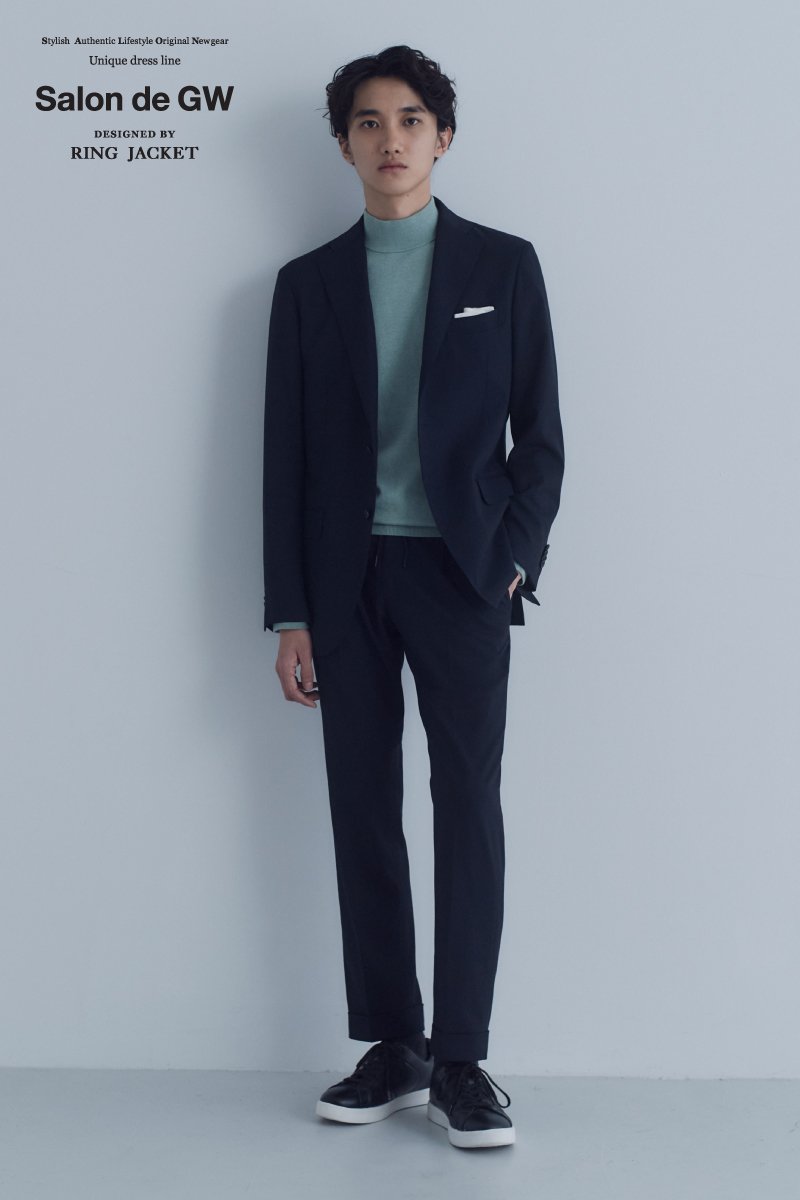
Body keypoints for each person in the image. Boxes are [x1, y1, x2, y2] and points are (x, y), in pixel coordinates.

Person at [262, 44, 564, 1149]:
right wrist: (290, 612)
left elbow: (541, 439)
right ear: (344, 144)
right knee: (362, 806)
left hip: (461, 575)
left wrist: (511, 558)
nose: (389, 139)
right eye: (367, 122)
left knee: (466, 805)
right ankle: (395, 1045)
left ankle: (463, 1061)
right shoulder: (307, 286)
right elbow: (284, 460)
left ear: (442, 136)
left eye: (409, 119)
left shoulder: (503, 266)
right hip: (344, 583)